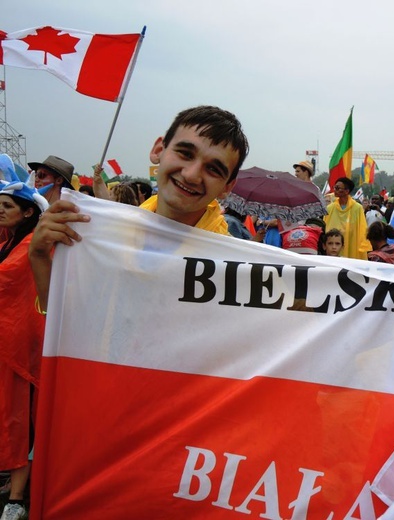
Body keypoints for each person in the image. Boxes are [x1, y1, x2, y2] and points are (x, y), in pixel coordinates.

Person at [29, 105, 249, 310]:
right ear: (158, 150)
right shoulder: (104, 232)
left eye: (213, 169)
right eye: (185, 153)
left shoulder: (235, 270)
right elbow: (73, 320)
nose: (191, 175)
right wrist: (39, 256)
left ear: (227, 186)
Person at [0, 157, 49, 520]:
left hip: (19, 347)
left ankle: (17, 499)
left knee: (18, 419)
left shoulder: (34, 245)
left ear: (29, 212)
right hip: (6, 343)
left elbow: (6, 284)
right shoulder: (9, 240)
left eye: (7, 206)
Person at [323, 176, 370, 260]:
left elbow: (362, 230)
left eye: (338, 188)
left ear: (347, 191)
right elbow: (324, 229)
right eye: (335, 187)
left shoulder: (357, 208)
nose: (335, 190)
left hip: (351, 245)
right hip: (333, 248)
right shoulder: (330, 208)